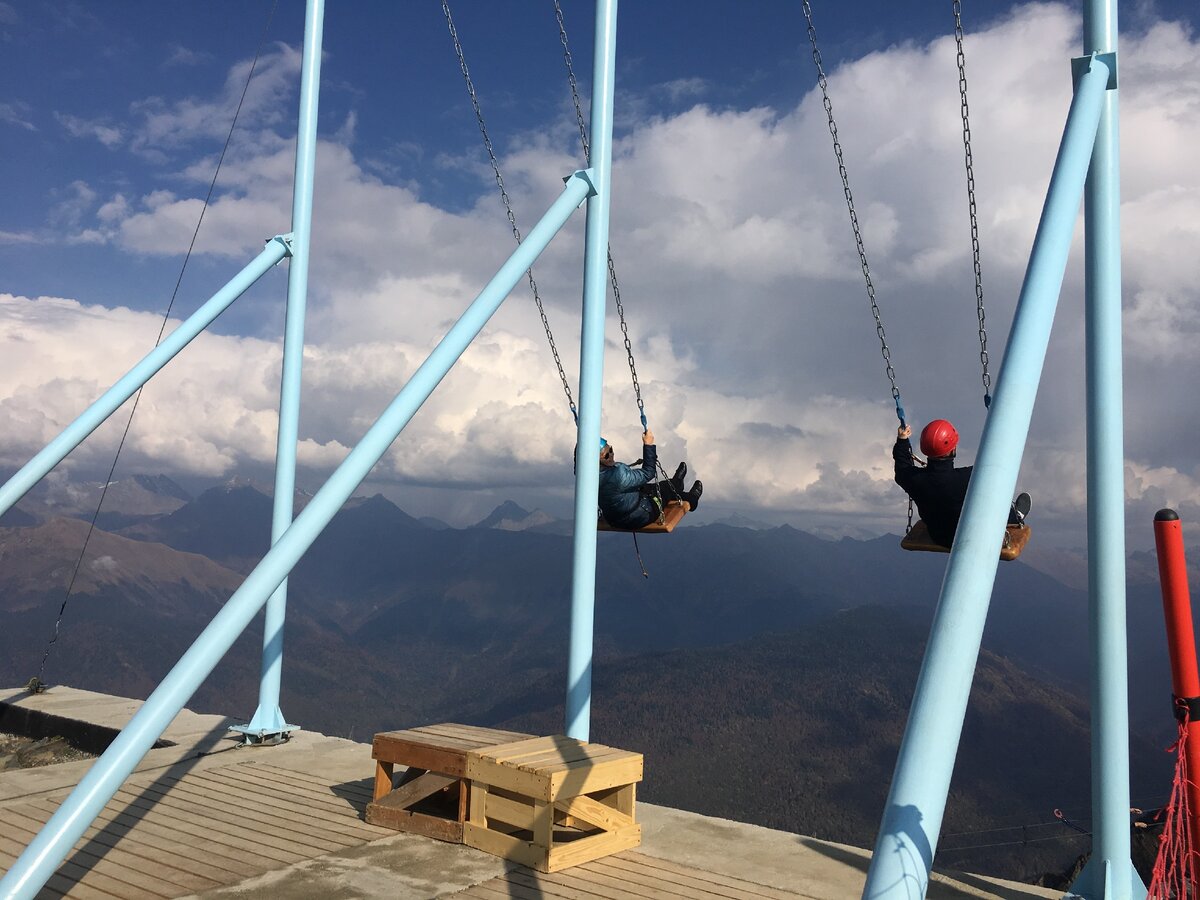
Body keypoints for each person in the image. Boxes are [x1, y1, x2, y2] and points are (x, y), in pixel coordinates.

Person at [893, 419, 1031, 549]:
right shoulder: (968, 477)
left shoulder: (913, 479)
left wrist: (902, 441)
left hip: (938, 536)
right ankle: (1015, 516)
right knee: (988, 503)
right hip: (970, 536)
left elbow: (901, 467)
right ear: (953, 449)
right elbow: (996, 471)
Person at [597, 429, 702, 529]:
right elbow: (648, 473)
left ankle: (676, 483)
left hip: (613, 518)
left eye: (610, 450)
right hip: (638, 516)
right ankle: (692, 499)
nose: (611, 455)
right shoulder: (618, 475)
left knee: (650, 487)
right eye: (606, 456)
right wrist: (648, 445)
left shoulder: (588, 477)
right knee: (664, 492)